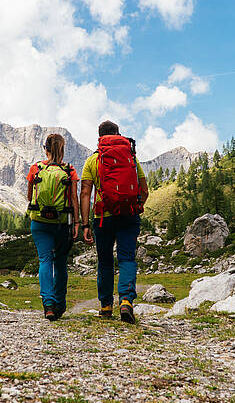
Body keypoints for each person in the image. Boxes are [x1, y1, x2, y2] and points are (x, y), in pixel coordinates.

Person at [80, 121, 148, 323]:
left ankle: (106, 306)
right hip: (128, 215)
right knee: (127, 258)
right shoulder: (131, 158)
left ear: (99, 137)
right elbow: (144, 190)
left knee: (105, 261)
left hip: (103, 218)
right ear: (118, 134)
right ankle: (126, 301)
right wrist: (137, 207)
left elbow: (85, 193)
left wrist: (85, 224)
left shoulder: (93, 160)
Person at [27, 133, 80, 321]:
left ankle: (47, 303)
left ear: (45, 149)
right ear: (63, 150)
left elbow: (29, 196)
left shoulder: (36, 168)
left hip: (39, 222)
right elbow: (74, 199)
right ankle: (60, 304)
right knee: (60, 262)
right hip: (62, 223)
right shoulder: (69, 170)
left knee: (45, 260)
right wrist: (77, 223)